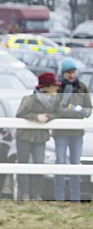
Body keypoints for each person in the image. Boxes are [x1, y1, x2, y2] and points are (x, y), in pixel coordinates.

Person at [15, 72, 61, 200]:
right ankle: (23, 193)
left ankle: (37, 194)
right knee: (23, 164)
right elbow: (20, 114)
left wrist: (48, 117)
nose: (57, 88)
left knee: (39, 164)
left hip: (41, 137)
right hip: (24, 136)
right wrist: (35, 117)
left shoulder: (55, 101)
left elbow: (58, 114)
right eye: (54, 86)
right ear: (46, 87)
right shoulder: (29, 100)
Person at [53, 58, 91, 201]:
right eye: (68, 72)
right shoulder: (57, 87)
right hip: (60, 132)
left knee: (76, 164)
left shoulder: (82, 87)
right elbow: (56, 109)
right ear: (63, 73)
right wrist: (72, 110)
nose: (71, 75)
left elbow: (88, 108)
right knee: (60, 162)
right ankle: (59, 197)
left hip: (77, 132)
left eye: (73, 72)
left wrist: (81, 112)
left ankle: (76, 198)